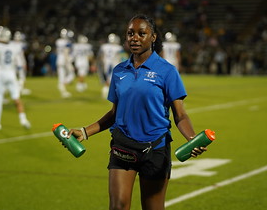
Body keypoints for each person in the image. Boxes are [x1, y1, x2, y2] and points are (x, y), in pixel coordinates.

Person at [66, 14, 207, 210]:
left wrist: (192, 138)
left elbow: (180, 114)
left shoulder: (167, 71)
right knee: (118, 206)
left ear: (153, 37)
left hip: (156, 149)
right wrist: (84, 131)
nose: (135, 38)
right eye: (130, 33)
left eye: (142, 33)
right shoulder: (118, 71)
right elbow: (115, 113)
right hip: (123, 146)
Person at [0, 26, 31, 131]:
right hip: (12, 74)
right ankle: (24, 120)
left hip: (1, 73)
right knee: (17, 99)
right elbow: (23, 47)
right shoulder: (15, 46)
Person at [97, 33, 124, 99]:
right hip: (114, 65)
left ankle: (108, 92)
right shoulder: (118, 48)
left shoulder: (104, 46)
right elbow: (123, 57)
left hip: (106, 64)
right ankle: (106, 92)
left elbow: (100, 56)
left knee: (110, 79)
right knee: (111, 80)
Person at [55, 28, 75, 98]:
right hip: (65, 60)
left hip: (59, 59)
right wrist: (68, 63)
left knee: (61, 76)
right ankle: (62, 89)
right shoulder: (67, 42)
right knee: (71, 75)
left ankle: (62, 89)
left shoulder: (58, 41)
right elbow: (66, 52)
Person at [10, 30, 31, 95]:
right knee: (22, 77)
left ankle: (16, 89)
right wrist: (24, 63)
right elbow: (22, 55)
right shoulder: (21, 45)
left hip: (12, 63)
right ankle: (19, 90)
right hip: (19, 63)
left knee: (14, 77)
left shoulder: (11, 43)